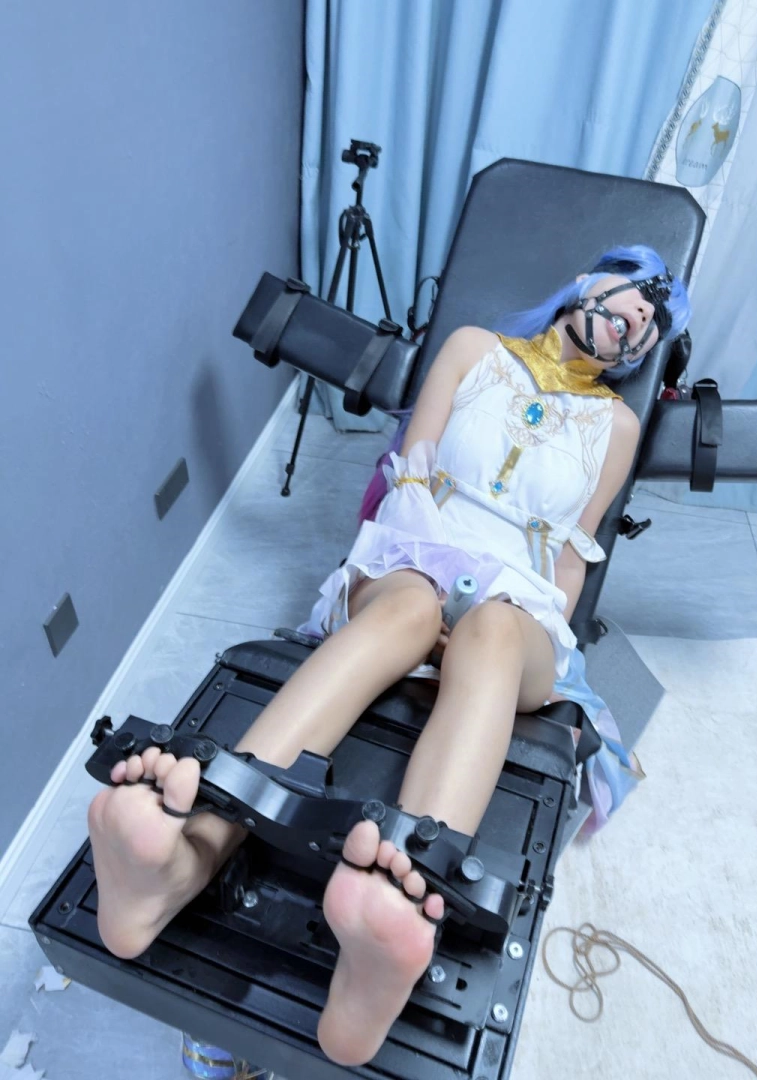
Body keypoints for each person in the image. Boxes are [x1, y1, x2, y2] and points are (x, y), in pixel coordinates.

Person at [87, 245, 690, 1068]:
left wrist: (527, 619)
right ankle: (187, 849)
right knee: (408, 608)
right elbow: (408, 473)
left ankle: (395, 895)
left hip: (518, 607)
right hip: (419, 554)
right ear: (588, 282)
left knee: (490, 634)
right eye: (636, 290)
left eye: (656, 319)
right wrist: (427, 578)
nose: (642, 314)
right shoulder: (474, 349)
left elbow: (572, 562)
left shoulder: (616, 425)